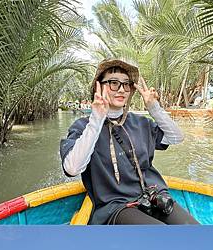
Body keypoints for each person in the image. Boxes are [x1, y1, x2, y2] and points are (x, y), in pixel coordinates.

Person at [60, 58, 199, 225]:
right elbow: (72, 168)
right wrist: (97, 118)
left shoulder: (139, 123)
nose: (121, 89)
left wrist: (153, 107)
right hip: (117, 206)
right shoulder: (84, 127)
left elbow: (176, 137)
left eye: (126, 84)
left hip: (154, 196)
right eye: (113, 83)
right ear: (99, 86)